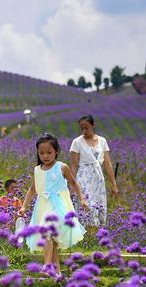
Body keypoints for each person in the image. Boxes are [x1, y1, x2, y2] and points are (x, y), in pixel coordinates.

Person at [19, 133, 89, 275]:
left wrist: (82, 199)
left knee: (49, 234)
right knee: (51, 238)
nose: (45, 156)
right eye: (42, 153)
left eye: (49, 152)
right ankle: (56, 270)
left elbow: (74, 183)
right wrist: (24, 206)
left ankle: (47, 266)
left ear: (56, 151)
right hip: (43, 207)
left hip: (59, 206)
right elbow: (33, 189)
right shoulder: (37, 170)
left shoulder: (62, 167)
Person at [68, 114, 119, 233]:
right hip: (83, 177)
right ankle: (83, 235)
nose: (84, 131)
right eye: (82, 128)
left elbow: (107, 163)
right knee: (86, 203)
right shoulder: (77, 142)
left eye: (87, 127)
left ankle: (95, 235)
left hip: (98, 178)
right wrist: (72, 184)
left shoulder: (102, 141)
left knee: (97, 205)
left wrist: (114, 184)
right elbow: (74, 165)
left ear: (93, 125)